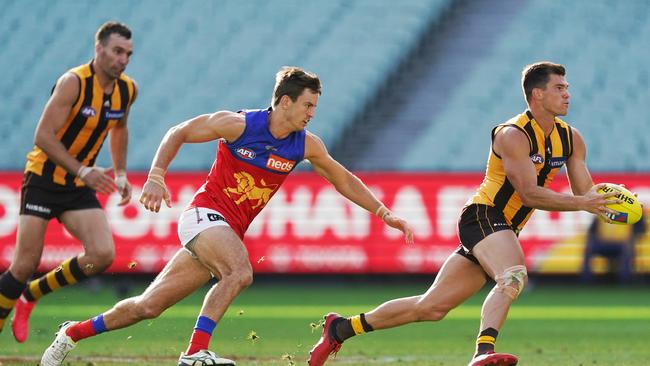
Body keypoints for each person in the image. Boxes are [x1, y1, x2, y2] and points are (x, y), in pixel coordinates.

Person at [40, 66, 414, 366]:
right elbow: (179, 132)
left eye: (315, 107)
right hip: (204, 215)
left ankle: (71, 333)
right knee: (239, 272)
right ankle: (194, 353)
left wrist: (383, 212)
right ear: (285, 102)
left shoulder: (306, 144)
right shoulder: (239, 125)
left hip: (223, 230)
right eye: (308, 105)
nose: (312, 114)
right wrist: (156, 176)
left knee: (147, 306)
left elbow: (342, 179)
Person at [308, 61, 623, 366]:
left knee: (431, 308)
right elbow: (529, 193)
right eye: (559, 87)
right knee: (512, 276)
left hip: (502, 229)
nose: (567, 93)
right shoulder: (512, 134)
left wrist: (613, 206)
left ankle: (341, 328)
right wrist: (584, 204)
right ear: (537, 94)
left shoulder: (571, 137)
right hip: (482, 216)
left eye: (567, 87)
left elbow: (586, 194)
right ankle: (483, 351)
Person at [0, 21, 136, 343]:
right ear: (99, 49)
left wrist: (120, 173)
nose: (123, 60)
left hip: (77, 183)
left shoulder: (127, 89)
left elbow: (119, 128)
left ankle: (31, 295)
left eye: (128, 54)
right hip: (44, 178)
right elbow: (42, 136)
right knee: (23, 265)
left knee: (102, 254)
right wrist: (82, 170)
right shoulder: (73, 83)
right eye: (117, 51)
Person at [581, 211, 646, 283]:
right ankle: (586, 281)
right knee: (589, 249)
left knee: (626, 250)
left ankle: (625, 281)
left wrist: (632, 238)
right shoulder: (602, 210)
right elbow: (592, 230)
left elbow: (641, 229)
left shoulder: (634, 212)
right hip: (603, 243)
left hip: (623, 244)